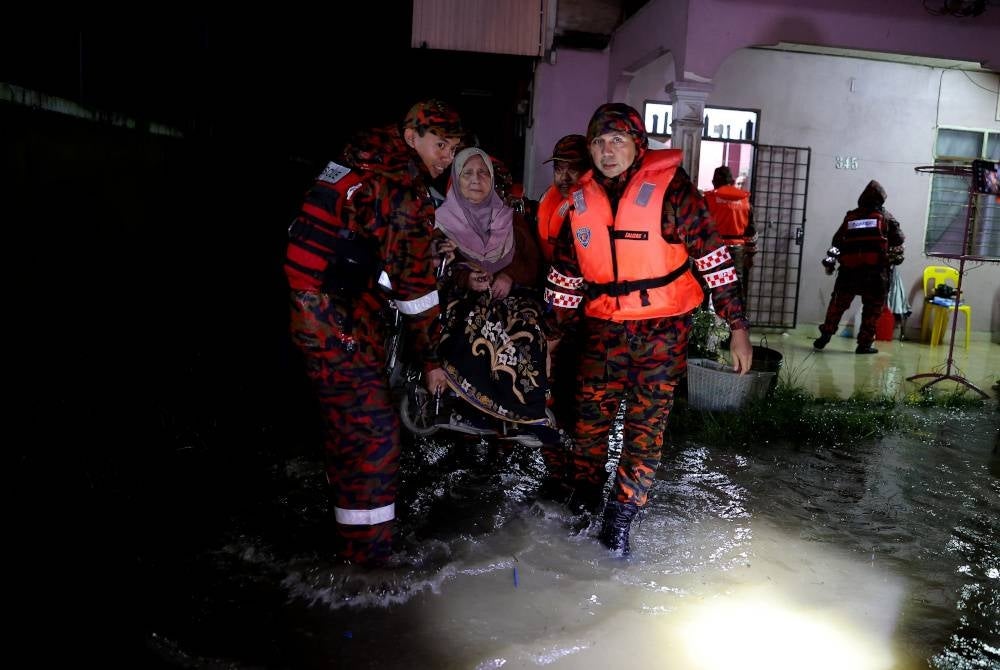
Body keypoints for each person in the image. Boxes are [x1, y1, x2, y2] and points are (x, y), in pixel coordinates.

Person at [544, 103, 752, 555]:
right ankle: (584, 503)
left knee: (644, 432)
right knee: (588, 428)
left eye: (617, 140)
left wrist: (737, 326)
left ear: (639, 144)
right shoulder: (579, 202)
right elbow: (564, 278)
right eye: (599, 142)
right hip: (602, 331)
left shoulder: (674, 192)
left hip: (662, 334)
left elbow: (715, 262)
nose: (607, 151)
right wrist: (552, 337)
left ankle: (618, 522)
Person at [284, 99, 464, 567]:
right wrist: (432, 361)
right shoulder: (398, 186)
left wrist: (425, 242)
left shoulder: (363, 164)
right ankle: (367, 562)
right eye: (440, 145)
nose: (447, 157)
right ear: (411, 137)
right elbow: (415, 290)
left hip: (319, 311)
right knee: (374, 435)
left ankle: (352, 535)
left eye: (453, 148)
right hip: (336, 320)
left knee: (350, 430)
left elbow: (367, 235)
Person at [434, 148, 550, 428]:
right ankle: (470, 409)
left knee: (527, 327)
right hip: (463, 296)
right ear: (456, 179)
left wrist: (509, 276)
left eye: (483, 173)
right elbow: (436, 265)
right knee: (475, 321)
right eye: (467, 173)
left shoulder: (511, 219)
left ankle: (520, 412)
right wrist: (466, 278)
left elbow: (532, 263)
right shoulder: (441, 221)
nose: (476, 179)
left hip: (511, 295)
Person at [533, 134, 591, 496]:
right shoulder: (548, 201)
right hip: (553, 312)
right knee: (548, 393)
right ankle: (555, 473)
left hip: (588, 320)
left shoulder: (591, 206)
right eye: (559, 168)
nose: (565, 176)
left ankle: (581, 481)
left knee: (581, 401)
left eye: (574, 168)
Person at [813, 179, 905, 355]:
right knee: (872, 310)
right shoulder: (886, 217)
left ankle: (825, 335)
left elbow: (836, 242)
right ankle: (864, 345)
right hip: (876, 275)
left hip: (849, 273)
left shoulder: (851, 217)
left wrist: (830, 262)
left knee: (837, 306)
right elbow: (899, 239)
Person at [703, 165, 757, 303]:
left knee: (709, 284)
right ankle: (735, 315)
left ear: (714, 182)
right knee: (735, 288)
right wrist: (750, 255)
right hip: (736, 251)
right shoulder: (745, 201)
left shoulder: (708, 199)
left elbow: (698, 226)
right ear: (732, 181)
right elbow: (751, 231)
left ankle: (704, 314)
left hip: (714, 248)